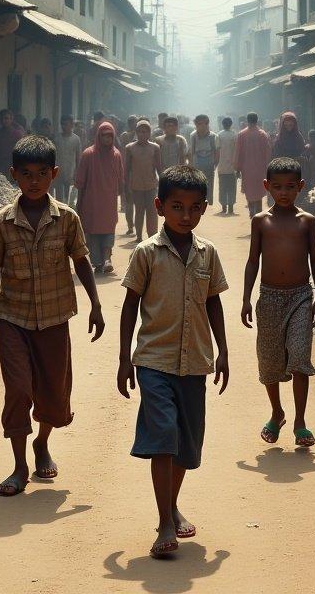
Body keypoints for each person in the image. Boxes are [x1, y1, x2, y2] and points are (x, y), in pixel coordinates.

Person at [0, 135, 104, 495]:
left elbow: (82, 261)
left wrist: (95, 304)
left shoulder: (67, 220)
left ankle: (42, 442)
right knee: (17, 390)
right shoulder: (2, 222)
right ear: (13, 174)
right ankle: (18, 467)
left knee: (53, 392)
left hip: (54, 319)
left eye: (42, 173)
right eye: (27, 174)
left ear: (55, 174)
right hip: (14, 319)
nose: (34, 181)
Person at [118, 165, 229, 559]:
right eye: (177, 206)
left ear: (203, 208)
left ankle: (172, 504)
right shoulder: (147, 253)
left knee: (184, 443)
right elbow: (130, 305)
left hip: (195, 361)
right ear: (160, 206)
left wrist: (224, 352)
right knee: (163, 435)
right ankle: (164, 521)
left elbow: (213, 302)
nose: (186, 215)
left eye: (195, 207)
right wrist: (123, 359)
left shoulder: (208, 253)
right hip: (154, 360)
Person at [241, 156, 315, 448]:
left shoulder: (307, 222)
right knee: (270, 360)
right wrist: (245, 299)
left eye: (290, 186)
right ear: (266, 187)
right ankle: (277, 413)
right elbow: (253, 261)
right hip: (270, 298)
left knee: (300, 356)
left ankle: (300, 420)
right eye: (277, 187)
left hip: (301, 296)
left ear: (301, 186)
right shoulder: (260, 222)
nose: (284, 193)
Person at [75, 122, 125, 275]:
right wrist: (79, 201)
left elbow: (121, 178)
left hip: (108, 202)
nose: (108, 138)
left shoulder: (116, 155)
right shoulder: (88, 154)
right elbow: (81, 181)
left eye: (110, 135)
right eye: (104, 135)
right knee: (92, 232)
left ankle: (107, 258)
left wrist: (122, 197)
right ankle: (97, 262)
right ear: (98, 136)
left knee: (108, 229)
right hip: (91, 201)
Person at [125, 120, 162, 238]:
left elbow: (159, 167)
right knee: (139, 211)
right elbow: (126, 169)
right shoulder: (130, 148)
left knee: (152, 211)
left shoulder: (155, 148)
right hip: (136, 186)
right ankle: (139, 236)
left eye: (145, 132)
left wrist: (163, 184)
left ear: (149, 133)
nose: (142, 134)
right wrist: (126, 186)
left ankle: (152, 235)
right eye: (140, 131)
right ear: (136, 132)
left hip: (151, 185)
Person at [236, 112, 273, 217]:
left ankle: (252, 212)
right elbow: (268, 153)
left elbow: (238, 153)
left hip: (246, 169)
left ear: (247, 120)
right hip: (260, 169)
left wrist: (237, 168)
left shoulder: (241, 134)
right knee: (258, 193)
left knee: (249, 192)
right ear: (257, 120)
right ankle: (259, 214)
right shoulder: (263, 134)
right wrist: (268, 168)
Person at [53, 116, 81, 204]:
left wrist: (77, 171)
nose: (64, 127)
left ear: (72, 125)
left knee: (70, 200)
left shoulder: (76, 139)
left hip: (71, 172)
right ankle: (60, 217)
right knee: (59, 199)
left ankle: (68, 215)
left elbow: (78, 157)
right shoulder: (57, 139)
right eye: (63, 124)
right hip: (58, 172)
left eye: (67, 124)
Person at [119, 116, 139, 235]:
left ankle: (136, 226)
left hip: (138, 172)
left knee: (138, 203)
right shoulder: (125, 136)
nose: (133, 125)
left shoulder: (141, 136)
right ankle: (130, 226)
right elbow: (123, 151)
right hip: (127, 171)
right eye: (131, 123)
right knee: (129, 202)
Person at [0, 109, 26, 173]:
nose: (4, 121)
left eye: (6, 118)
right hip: (1, 165)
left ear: (11, 119)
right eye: (1, 119)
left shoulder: (17, 133)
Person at [216, 116, 238, 215]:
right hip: (232, 167)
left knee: (222, 187)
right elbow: (237, 151)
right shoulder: (235, 135)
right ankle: (231, 208)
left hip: (222, 166)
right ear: (231, 124)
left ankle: (224, 207)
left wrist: (216, 164)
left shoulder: (219, 135)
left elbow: (217, 150)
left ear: (222, 124)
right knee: (232, 188)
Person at [189, 115, 218, 186]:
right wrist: (191, 165)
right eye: (198, 124)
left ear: (207, 124)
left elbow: (217, 152)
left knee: (209, 187)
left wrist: (215, 164)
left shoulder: (213, 136)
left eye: (203, 123)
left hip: (209, 166)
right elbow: (191, 152)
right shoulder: (193, 136)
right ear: (195, 124)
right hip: (197, 167)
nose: (201, 126)